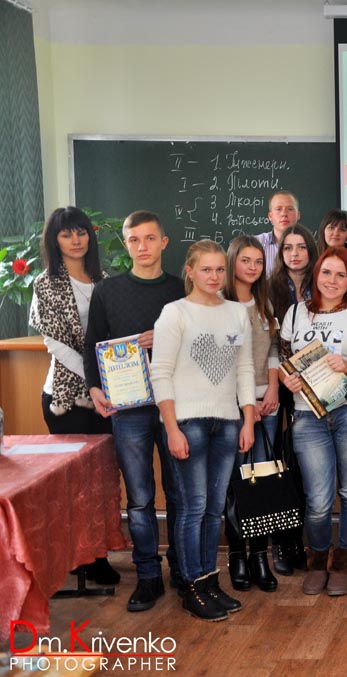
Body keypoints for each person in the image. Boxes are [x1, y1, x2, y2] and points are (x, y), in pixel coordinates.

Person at [150, 239, 256, 622]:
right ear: (190, 272)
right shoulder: (175, 313)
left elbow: (245, 368)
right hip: (188, 424)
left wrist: (247, 419)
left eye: (219, 269)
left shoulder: (236, 313)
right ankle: (192, 585)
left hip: (227, 423)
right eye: (206, 269)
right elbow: (160, 372)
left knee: (215, 509)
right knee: (193, 507)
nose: (214, 276)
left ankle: (210, 581)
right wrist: (171, 428)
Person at [85, 210, 185, 612]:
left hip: (176, 405)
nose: (142, 247)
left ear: (164, 242)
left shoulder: (182, 289)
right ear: (126, 244)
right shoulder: (107, 291)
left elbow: (200, 340)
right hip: (128, 410)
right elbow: (93, 342)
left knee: (179, 491)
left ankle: (183, 567)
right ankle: (147, 575)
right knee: (140, 497)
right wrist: (94, 387)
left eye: (149, 238)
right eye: (134, 240)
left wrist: (166, 337)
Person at [30, 207, 117, 587]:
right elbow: (55, 344)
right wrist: (94, 379)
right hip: (66, 399)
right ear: (55, 240)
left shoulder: (105, 280)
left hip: (107, 396)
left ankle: (98, 555)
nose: (76, 240)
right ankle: (77, 557)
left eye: (81, 232)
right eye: (67, 234)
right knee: (74, 485)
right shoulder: (45, 284)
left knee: (102, 480)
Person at [280, 247, 347, 597]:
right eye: (326, 273)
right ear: (316, 275)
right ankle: (317, 561)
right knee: (317, 499)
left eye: (340, 275)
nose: (332, 281)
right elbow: (282, 356)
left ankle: (344, 564)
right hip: (307, 415)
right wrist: (286, 378)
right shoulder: (296, 312)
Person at [221, 235, 280, 594]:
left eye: (259, 261)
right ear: (232, 262)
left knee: (263, 484)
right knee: (236, 485)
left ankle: (260, 556)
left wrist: (272, 388)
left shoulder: (263, 302)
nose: (253, 267)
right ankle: (237, 556)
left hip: (266, 404)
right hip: (232, 407)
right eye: (246, 260)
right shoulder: (218, 304)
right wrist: (246, 406)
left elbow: (273, 350)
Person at [265, 223, 318, 575]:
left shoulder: (324, 282)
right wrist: (281, 377)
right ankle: (282, 543)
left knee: (301, 467)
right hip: (275, 384)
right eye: (288, 248)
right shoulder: (268, 287)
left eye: (301, 247)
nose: (294, 254)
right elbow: (270, 342)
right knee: (275, 466)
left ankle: (303, 543)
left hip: (315, 388)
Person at [257, 190, 301, 277]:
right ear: (270, 216)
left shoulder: (307, 246)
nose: (284, 214)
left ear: (298, 215)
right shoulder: (256, 244)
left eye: (290, 209)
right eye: (278, 209)